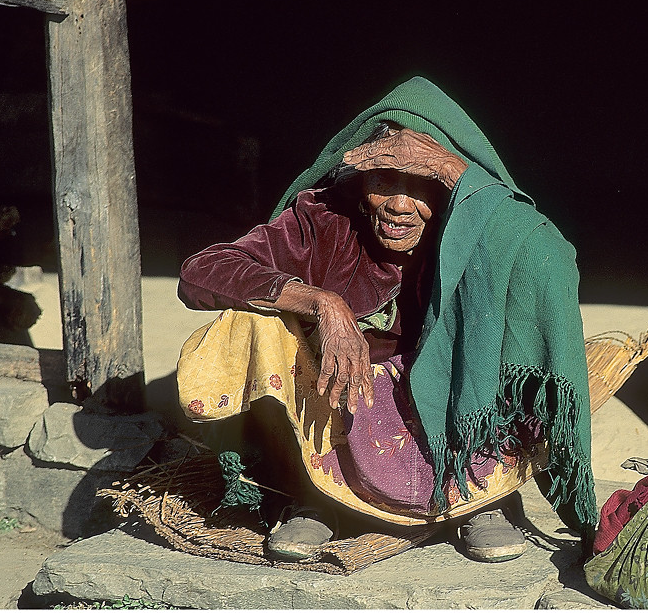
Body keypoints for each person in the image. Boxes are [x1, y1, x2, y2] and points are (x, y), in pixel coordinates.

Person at [176, 76, 597, 564]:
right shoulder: (323, 217)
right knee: (250, 323)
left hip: (451, 406)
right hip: (339, 396)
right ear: (359, 185)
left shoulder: (478, 226)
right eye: (384, 182)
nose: (400, 205)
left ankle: (482, 497)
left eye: (422, 186)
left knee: (514, 300)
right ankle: (312, 494)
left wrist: (451, 168)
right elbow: (201, 271)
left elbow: (550, 256)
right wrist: (321, 303)